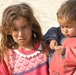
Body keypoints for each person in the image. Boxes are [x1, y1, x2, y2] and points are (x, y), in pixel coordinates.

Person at [0, 3, 49, 75]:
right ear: (8, 31)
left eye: (25, 27)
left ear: (31, 25)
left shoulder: (46, 47)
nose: (21, 34)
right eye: (15, 29)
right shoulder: (7, 57)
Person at [44, 0, 76, 75]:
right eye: (62, 26)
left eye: (68, 27)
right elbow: (53, 30)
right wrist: (52, 40)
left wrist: (66, 52)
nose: (65, 30)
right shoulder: (61, 33)